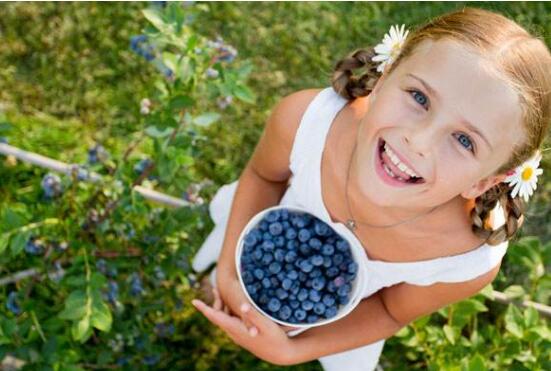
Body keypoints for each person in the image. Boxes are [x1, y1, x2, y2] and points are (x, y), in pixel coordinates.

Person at [190, 6, 550, 370]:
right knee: (227, 280)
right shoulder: (306, 123)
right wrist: (228, 272)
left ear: (485, 181)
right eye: (420, 98)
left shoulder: (466, 257)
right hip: (262, 235)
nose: (418, 140)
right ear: (384, 77)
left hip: (345, 319)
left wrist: (291, 350)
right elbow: (263, 178)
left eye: (463, 140)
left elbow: (389, 311)